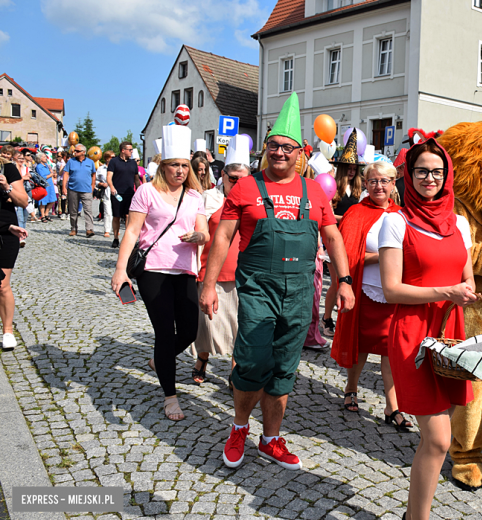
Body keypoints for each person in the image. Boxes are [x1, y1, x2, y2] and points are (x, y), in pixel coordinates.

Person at [199, 93, 354, 470]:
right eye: (273, 146)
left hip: (300, 291)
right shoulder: (245, 188)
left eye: (287, 147)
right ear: (265, 148)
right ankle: (239, 428)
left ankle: (270, 439)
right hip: (258, 289)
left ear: (301, 151)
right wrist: (207, 284)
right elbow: (222, 236)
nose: (279, 153)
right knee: (251, 362)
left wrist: (345, 280)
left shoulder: (315, 191)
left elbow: (332, 237)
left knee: (285, 367)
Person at [378, 137, 477, 520]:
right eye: (422, 171)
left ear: (447, 175)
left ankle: (413, 515)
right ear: (409, 175)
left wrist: (466, 292)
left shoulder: (461, 224)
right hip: (413, 334)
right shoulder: (394, 221)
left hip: (451, 334)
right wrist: (444, 290)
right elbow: (391, 289)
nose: (430, 178)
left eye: (437, 171)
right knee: (437, 439)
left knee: (437, 439)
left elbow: (466, 280)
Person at [111, 124, 209, 421]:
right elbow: (132, 232)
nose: (180, 170)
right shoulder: (146, 192)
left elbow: (204, 232)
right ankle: (170, 396)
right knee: (165, 332)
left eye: (183, 165)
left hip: (185, 270)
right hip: (153, 269)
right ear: (163, 166)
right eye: (174, 165)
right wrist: (120, 270)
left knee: (190, 331)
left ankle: (159, 359)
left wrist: (197, 237)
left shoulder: (195, 196)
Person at [330, 161, 411, 428]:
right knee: (361, 346)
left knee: (391, 350)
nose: (379, 186)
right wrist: (383, 257)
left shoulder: (402, 215)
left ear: (392, 184)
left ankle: (393, 406)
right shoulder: (356, 213)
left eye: (385, 181)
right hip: (364, 291)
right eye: (373, 181)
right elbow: (348, 255)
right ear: (366, 184)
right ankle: (351, 389)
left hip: (392, 295)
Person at [191, 136, 251, 386]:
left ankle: (235, 372)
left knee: (241, 326)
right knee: (207, 322)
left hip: (243, 271)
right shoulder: (208, 198)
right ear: (223, 175)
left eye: (242, 179)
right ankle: (202, 359)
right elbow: (199, 229)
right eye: (232, 178)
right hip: (211, 269)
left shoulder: (253, 201)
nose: (236, 183)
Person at [321, 130, 364, 337]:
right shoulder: (332, 186)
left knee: (349, 281)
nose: (351, 172)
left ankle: (344, 320)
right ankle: (327, 318)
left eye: (354, 169)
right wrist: (348, 218)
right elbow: (327, 215)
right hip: (333, 239)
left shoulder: (359, 190)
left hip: (353, 240)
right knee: (338, 281)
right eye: (348, 168)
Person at [0, 154, 32, 350]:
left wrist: (6, 187)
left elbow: (23, 201)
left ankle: (8, 331)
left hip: (6, 231)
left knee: (2, 285)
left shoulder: (7, 169)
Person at [107, 142, 140, 248]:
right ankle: (116, 238)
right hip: (117, 193)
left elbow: (136, 179)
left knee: (128, 216)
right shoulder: (114, 161)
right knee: (116, 216)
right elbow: (109, 177)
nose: (132, 152)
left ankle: (127, 238)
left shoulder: (133, 163)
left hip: (130, 193)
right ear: (123, 150)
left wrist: (139, 190)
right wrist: (112, 187)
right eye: (130, 150)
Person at [62, 144, 96, 237]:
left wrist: (92, 186)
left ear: (83, 152)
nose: (75, 152)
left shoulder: (90, 162)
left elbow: (93, 175)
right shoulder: (71, 162)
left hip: (86, 189)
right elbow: (66, 174)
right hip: (73, 189)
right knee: (73, 210)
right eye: (75, 151)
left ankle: (89, 229)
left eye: (77, 151)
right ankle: (73, 228)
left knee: (88, 210)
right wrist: (64, 187)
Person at [96, 151, 115, 238]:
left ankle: (115, 229)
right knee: (107, 211)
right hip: (106, 191)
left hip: (116, 191)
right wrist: (101, 184)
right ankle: (107, 229)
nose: (114, 159)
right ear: (107, 158)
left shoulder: (116, 167)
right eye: (112, 157)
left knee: (115, 212)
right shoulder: (101, 169)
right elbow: (95, 180)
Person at [35, 154, 57, 222]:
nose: (45, 158)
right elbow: (42, 177)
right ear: (40, 158)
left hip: (50, 185)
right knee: (43, 201)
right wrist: (51, 175)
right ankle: (42, 215)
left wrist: (52, 174)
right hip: (44, 185)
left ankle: (46, 214)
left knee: (52, 200)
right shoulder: (39, 167)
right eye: (44, 157)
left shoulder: (47, 166)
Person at [57, 151, 68, 219]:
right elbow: (60, 173)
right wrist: (64, 167)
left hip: (69, 181)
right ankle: (62, 211)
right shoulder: (62, 163)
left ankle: (68, 212)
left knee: (69, 198)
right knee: (63, 197)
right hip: (62, 180)